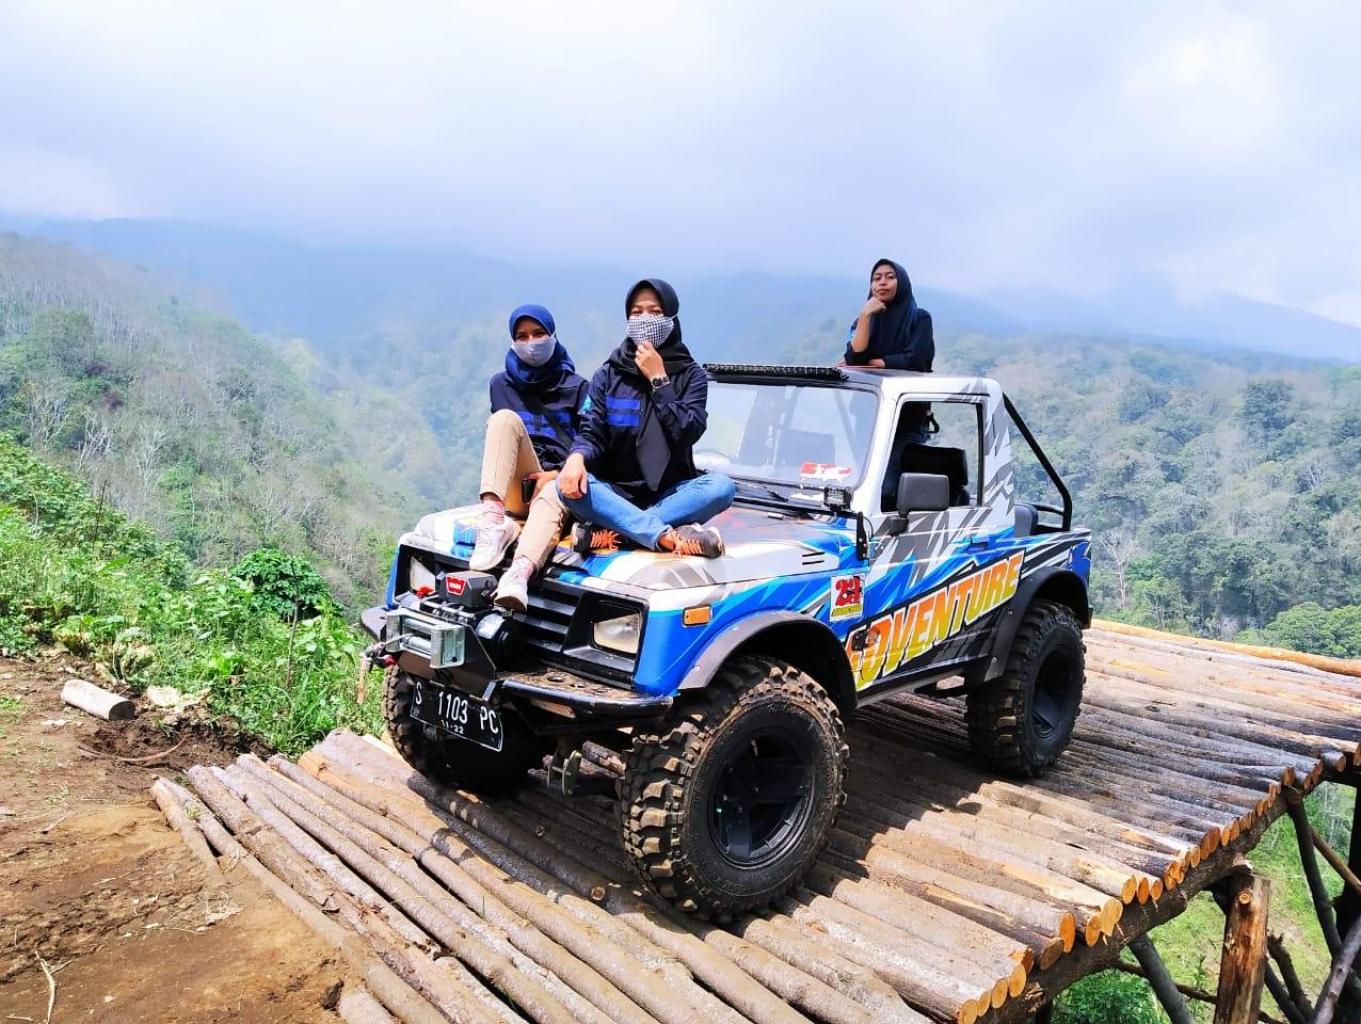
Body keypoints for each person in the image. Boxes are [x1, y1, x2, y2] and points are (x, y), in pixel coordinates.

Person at [556, 278, 734, 558]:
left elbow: (688, 432)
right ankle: (664, 535)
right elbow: (591, 432)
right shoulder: (608, 374)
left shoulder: (692, 375)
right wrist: (576, 458)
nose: (645, 319)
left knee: (721, 487)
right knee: (564, 485)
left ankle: (618, 533)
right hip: (614, 494)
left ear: (671, 317)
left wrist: (659, 380)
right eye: (636, 313)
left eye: (655, 311)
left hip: (671, 495)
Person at [470, 304, 589, 610]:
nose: (531, 342)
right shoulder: (501, 384)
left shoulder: (578, 388)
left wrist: (556, 474)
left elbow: (589, 445)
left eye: (538, 333)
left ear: (553, 336)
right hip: (519, 487)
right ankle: (493, 522)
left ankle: (518, 575)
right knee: (502, 420)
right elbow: (505, 444)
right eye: (522, 336)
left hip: (560, 488)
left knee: (553, 490)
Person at [841, 258, 936, 503]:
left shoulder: (919, 319)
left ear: (902, 282)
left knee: (886, 487)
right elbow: (854, 356)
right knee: (858, 484)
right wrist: (865, 315)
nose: (882, 283)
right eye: (876, 278)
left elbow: (916, 358)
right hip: (867, 416)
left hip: (906, 418)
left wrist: (879, 362)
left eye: (890, 277)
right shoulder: (863, 321)